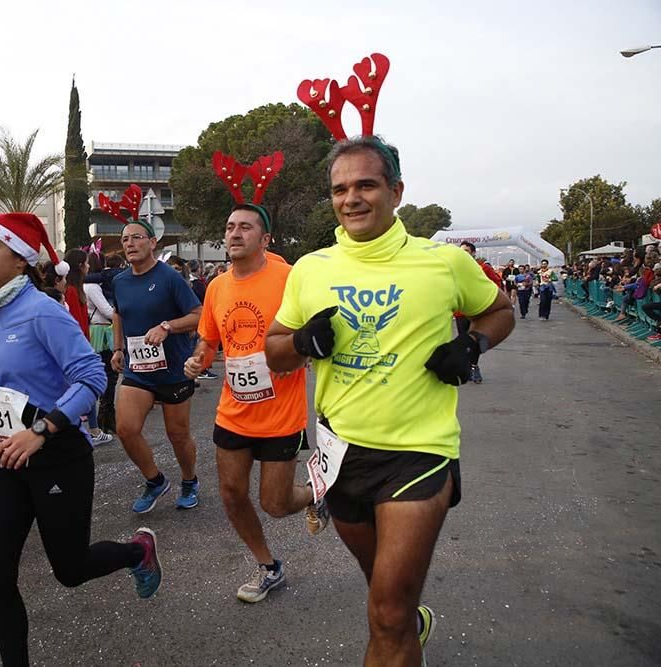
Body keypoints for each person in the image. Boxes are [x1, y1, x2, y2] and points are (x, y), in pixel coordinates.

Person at [265, 134, 514, 666]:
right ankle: (406, 624)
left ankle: (400, 624)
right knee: (388, 598)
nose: (351, 198)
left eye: (366, 185)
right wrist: (301, 342)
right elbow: (274, 352)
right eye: (340, 189)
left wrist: (473, 344)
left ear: (396, 191)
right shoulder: (311, 269)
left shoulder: (443, 262)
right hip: (341, 456)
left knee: (385, 614)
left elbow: (499, 309)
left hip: (418, 453)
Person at [0, 213, 161, 666]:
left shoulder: (43, 311)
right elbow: (4, 385)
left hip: (58, 454)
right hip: (9, 455)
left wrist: (41, 432)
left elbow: (90, 379)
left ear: (20, 259)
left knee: (70, 570)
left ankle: (137, 551)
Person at [184, 198, 327, 604]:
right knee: (231, 493)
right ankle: (269, 567)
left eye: (245, 227)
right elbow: (210, 338)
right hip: (234, 409)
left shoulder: (289, 277)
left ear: (265, 238)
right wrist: (199, 359)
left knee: (276, 504)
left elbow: (320, 326)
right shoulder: (216, 286)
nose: (234, 233)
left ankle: (316, 493)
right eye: (230, 226)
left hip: (281, 414)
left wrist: (297, 354)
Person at [109, 211, 203, 513]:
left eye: (137, 237)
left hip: (173, 370)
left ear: (152, 242)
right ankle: (155, 480)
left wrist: (167, 327)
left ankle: (189, 480)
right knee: (125, 428)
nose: (130, 243)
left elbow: (198, 316)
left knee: (177, 435)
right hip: (138, 370)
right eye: (125, 239)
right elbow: (118, 314)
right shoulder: (120, 281)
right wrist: (118, 349)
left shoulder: (169, 277)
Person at [63, 248, 112, 445]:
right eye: (86, 262)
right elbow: (76, 322)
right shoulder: (73, 290)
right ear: (80, 265)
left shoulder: (77, 288)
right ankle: (92, 430)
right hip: (78, 348)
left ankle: (92, 429)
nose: (89, 266)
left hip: (82, 344)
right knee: (87, 387)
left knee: (84, 388)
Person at [456, 241, 504, 383]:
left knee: (475, 341)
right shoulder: (455, 268)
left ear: (473, 253)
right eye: (461, 251)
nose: (462, 253)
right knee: (464, 340)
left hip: (478, 312)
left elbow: (497, 283)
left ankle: (474, 367)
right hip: (460, 312)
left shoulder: (483, 268)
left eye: (466, 251)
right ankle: (466, 366)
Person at [85, 252, 119, 435]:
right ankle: (105, 417)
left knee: (102, 372)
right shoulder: (93, 287)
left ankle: (104, 416)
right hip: (103, 332)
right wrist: (119, 312)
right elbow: (107, 311)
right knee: (109, 374)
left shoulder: (84, 285)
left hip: (94, 330)